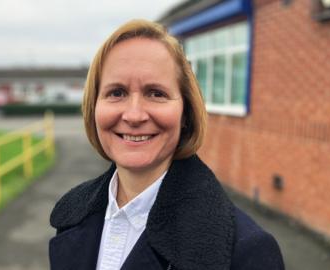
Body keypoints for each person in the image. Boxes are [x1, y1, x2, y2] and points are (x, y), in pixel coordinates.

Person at [49, 19, 285, 270]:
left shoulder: (247, 252)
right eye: (116, 93)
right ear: (94, 106)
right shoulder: (72, 214)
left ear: (186, 113)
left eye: (156, 93)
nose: (134, 115)